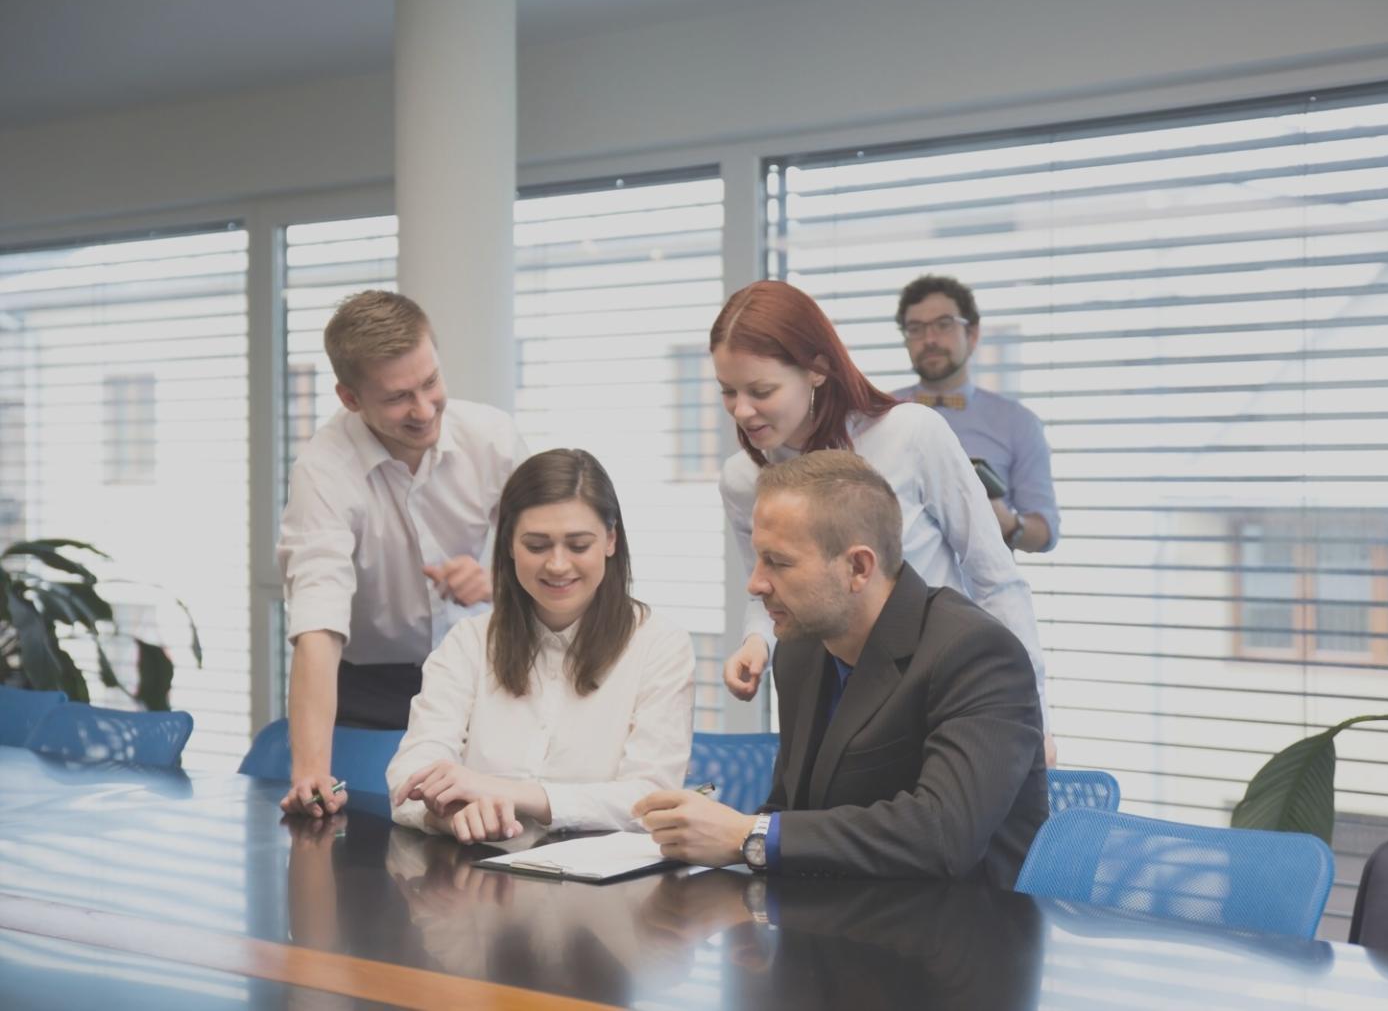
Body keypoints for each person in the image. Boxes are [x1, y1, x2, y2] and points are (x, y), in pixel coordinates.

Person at [635, 451, 1047, 885]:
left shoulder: (976, 652)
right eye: (758, 559)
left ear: (858, 567)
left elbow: (942, 834)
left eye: (777, 562)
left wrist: (746, 834)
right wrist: (709, 834)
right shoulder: (801, 649)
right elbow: (790, 809)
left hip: (962, 936)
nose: (755, 584)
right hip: (835, 922)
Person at [709, 279, 1052, 746]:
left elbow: (996, 578)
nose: (743, 412)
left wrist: (1033, 721)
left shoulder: (910, 434)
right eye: (728, 392)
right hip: (828, 706)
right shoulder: (743, 478)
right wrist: (757, 643)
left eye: (761, 390)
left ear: (816, 369)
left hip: (937, 693)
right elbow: (765, 590)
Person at [276, 289, 528, 817]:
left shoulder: (492, 439)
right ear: (350, 398)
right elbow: (318, 624)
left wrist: (496, 581)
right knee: (369, 844)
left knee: (495, 829)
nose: (423, 409)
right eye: (397, 398)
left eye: (430, 382)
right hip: (370, 686)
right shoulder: (323, 471)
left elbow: (549, 561)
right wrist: (310, 777)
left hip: (480, 672)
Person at [387, 448, 696, 844]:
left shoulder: (660, 646)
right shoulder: (468, 643)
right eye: (536, 546)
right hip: (478, 881)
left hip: (604, 896)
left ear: (610, 540)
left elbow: (648, 799)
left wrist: (508, 793)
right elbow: (409, 778)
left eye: (578, 545)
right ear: (509, 546)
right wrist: (456, 816)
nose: (557, 565)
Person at [893, 274, 1060, 554]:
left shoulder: (1018, 423)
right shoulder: (876, 413)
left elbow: (1045, 534)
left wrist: (1007, 523)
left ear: (972, 334)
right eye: (916, 328)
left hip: (978, 595)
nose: (930, 339)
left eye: (944, 325)